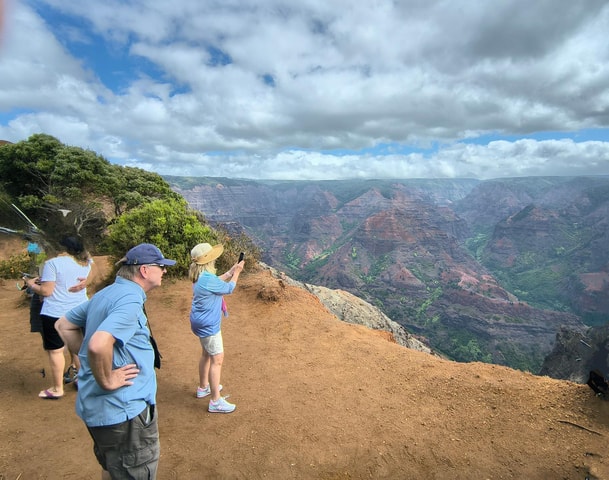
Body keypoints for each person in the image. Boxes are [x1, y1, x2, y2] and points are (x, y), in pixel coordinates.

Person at [55, 243, 175, 480]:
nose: (165, 271)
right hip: (125, 414)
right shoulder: (129, 300)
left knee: (112, 467)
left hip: (98, 412)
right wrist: (107, 379)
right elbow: (99, 344)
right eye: (161, 266)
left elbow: (63, 324)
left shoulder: (106, 293)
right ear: (144, 271)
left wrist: (89, 364)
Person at [25, 236, 92, 399]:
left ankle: (57, 389)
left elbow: (47, 291)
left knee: (55, 351)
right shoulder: (86, 262)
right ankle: (82, 381)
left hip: (55, 313)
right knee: (77, 348)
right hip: (79, 311)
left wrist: (31, 284)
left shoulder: (52, 264)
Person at [189, 242, 244, 413]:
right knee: (217, 359)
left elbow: (214, 282)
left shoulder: (200, 276)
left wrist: (230, 272)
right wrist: (237, 273)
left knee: (206, 354)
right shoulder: (206, 278)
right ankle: (215, 401)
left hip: (198, 321)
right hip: (208, 326)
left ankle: (203, 387)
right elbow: (228, 289)